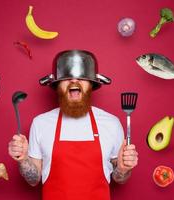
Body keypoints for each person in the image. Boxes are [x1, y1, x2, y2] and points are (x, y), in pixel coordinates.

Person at [8, 50, 138, 200]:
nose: (74, 82)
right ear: (57, 85)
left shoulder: (111, 123)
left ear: (91, 84)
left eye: (81, 78)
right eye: (67, 77)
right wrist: (23, 159)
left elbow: (119, 179)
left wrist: (123, 168)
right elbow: (33, 180)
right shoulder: (41, 123)